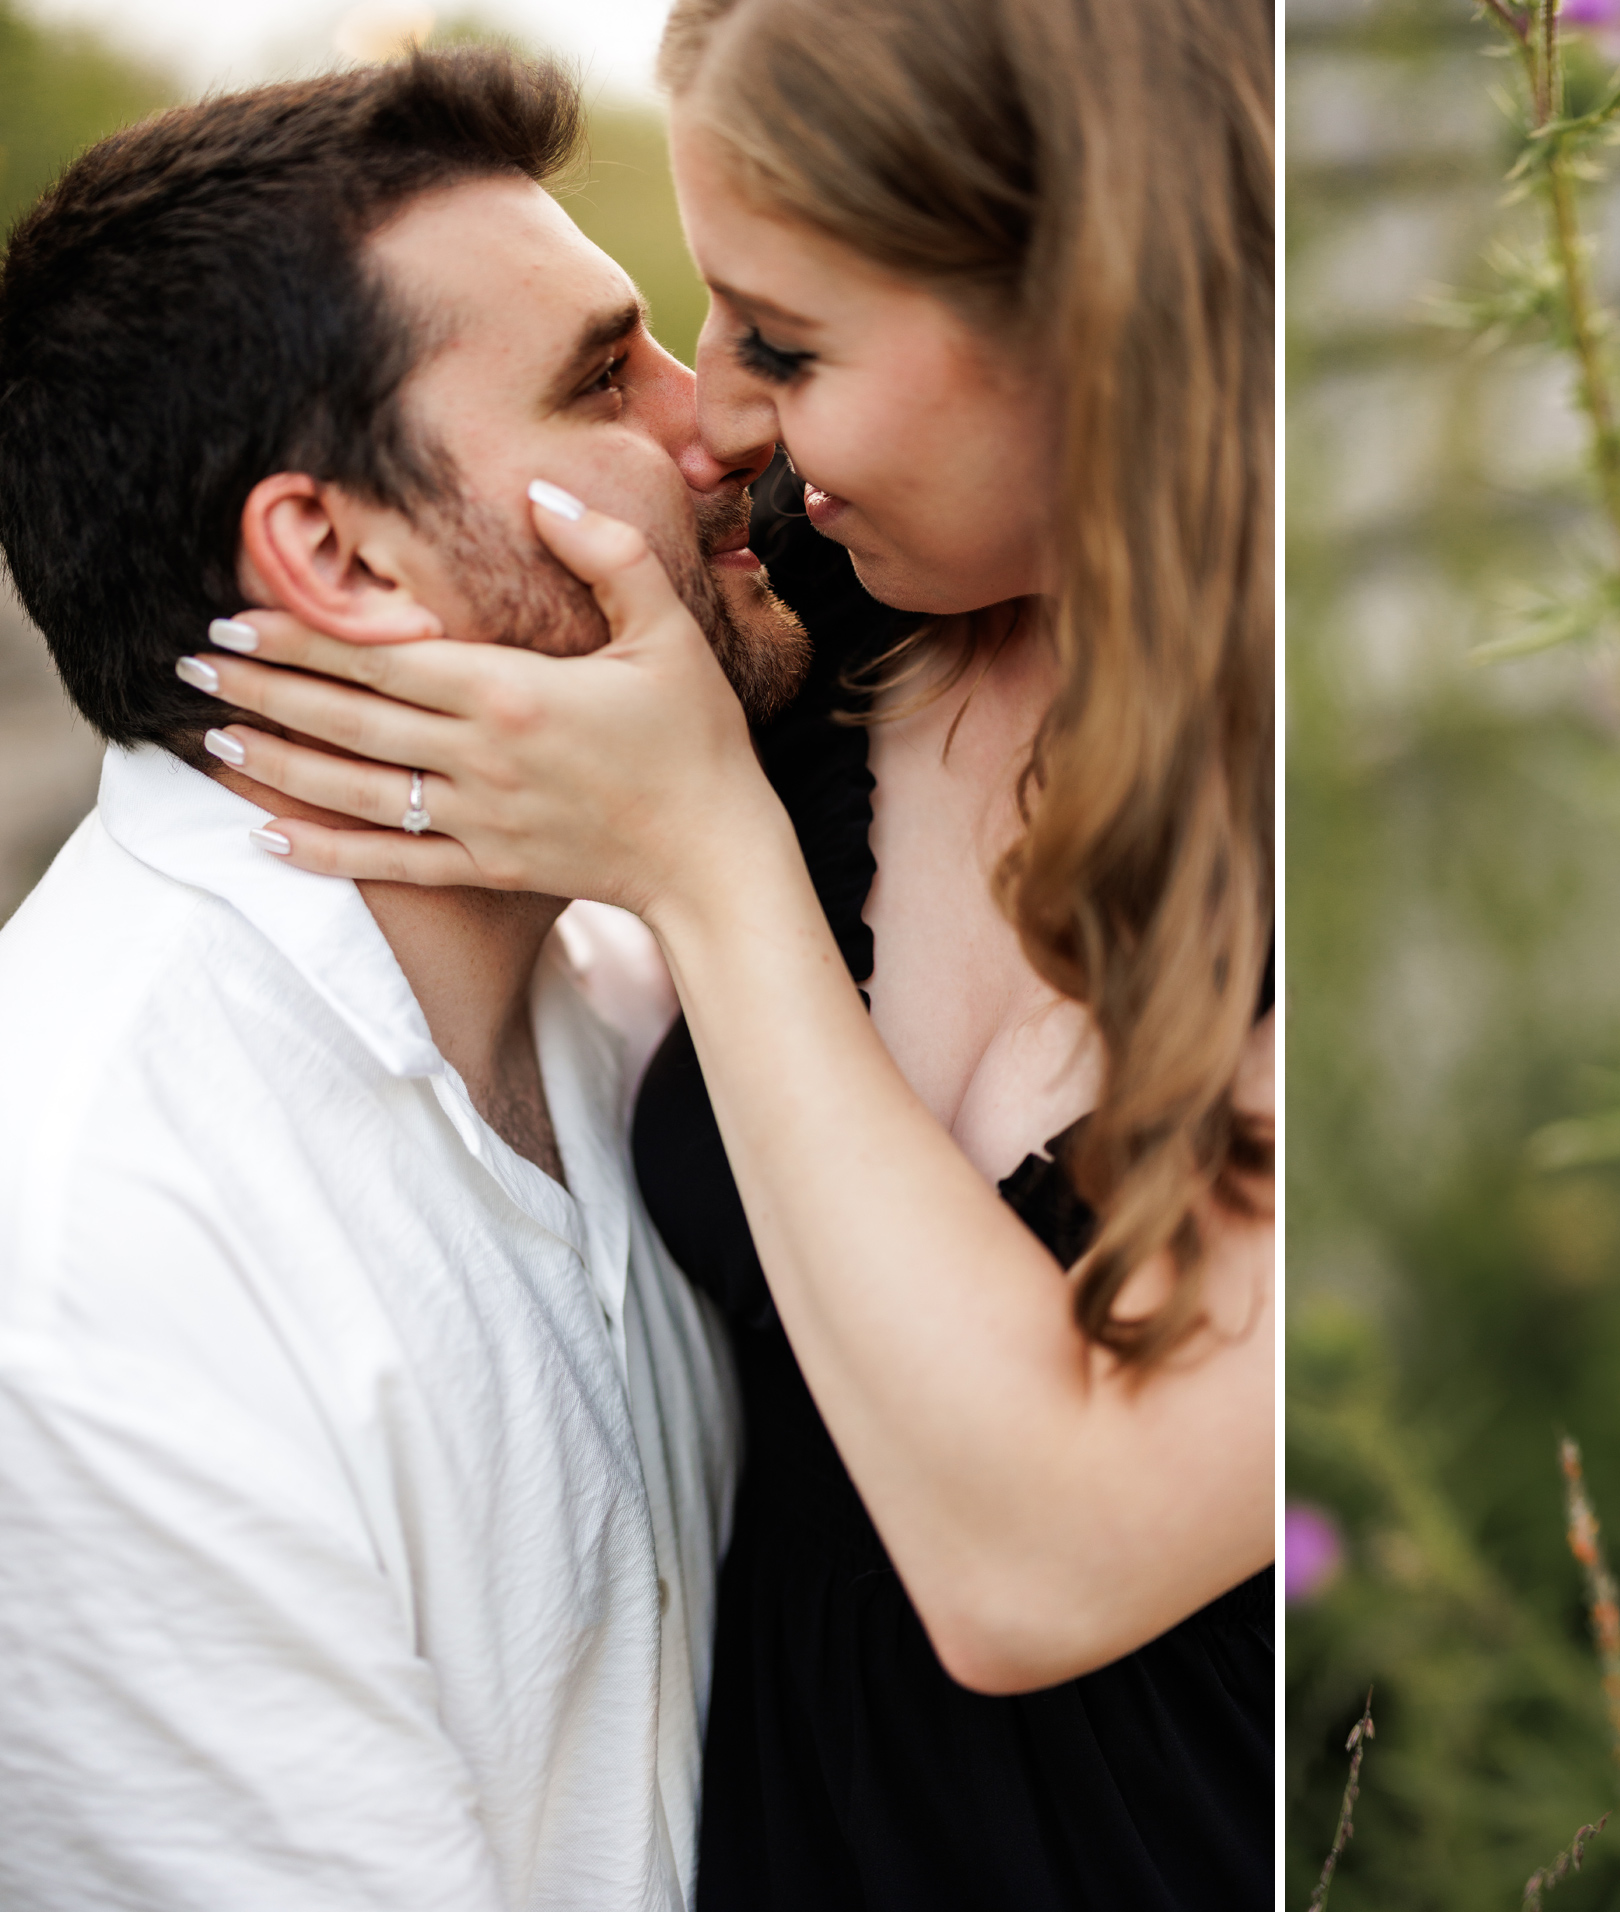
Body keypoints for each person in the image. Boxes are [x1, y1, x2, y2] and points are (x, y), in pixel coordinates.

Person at [189, 0, 1278, 1902]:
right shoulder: (824, 625)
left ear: (1090, 318)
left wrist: (709, 857)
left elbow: (1041, 1567)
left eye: (783, 338)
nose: (726, 416)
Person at [0, 51, 810, 1909]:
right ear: (340, 554)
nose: (723, 422)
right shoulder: (97, 1262)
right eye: (607, 376)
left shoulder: (630, 976)